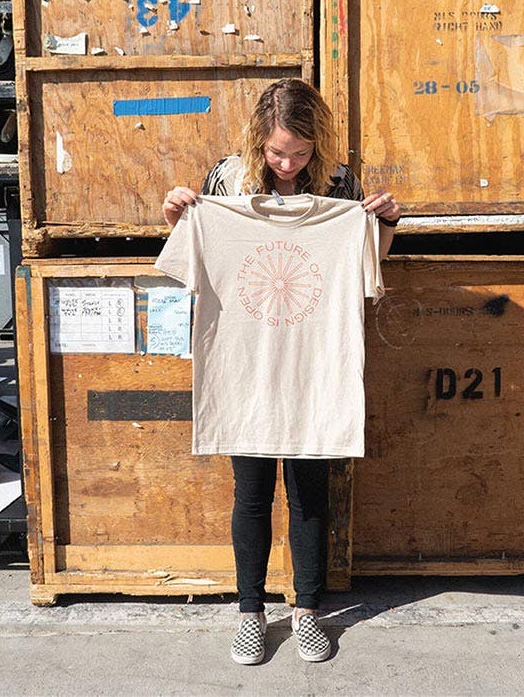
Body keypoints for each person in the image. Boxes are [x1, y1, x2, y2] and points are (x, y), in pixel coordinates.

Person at [158, 78, 400, 665]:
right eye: (276, 153)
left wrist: (385, 222)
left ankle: (308, 611)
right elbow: (194, 256)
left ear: (318, 144)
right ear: (257, 144)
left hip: (314, 365)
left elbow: (369, 267)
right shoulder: (227, 180)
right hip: (246, 365)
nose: (288, 164)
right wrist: (177, 217)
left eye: (300, 153)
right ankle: (250, 612)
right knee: (251, 493)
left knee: (310, 493)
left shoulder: (342, 184)